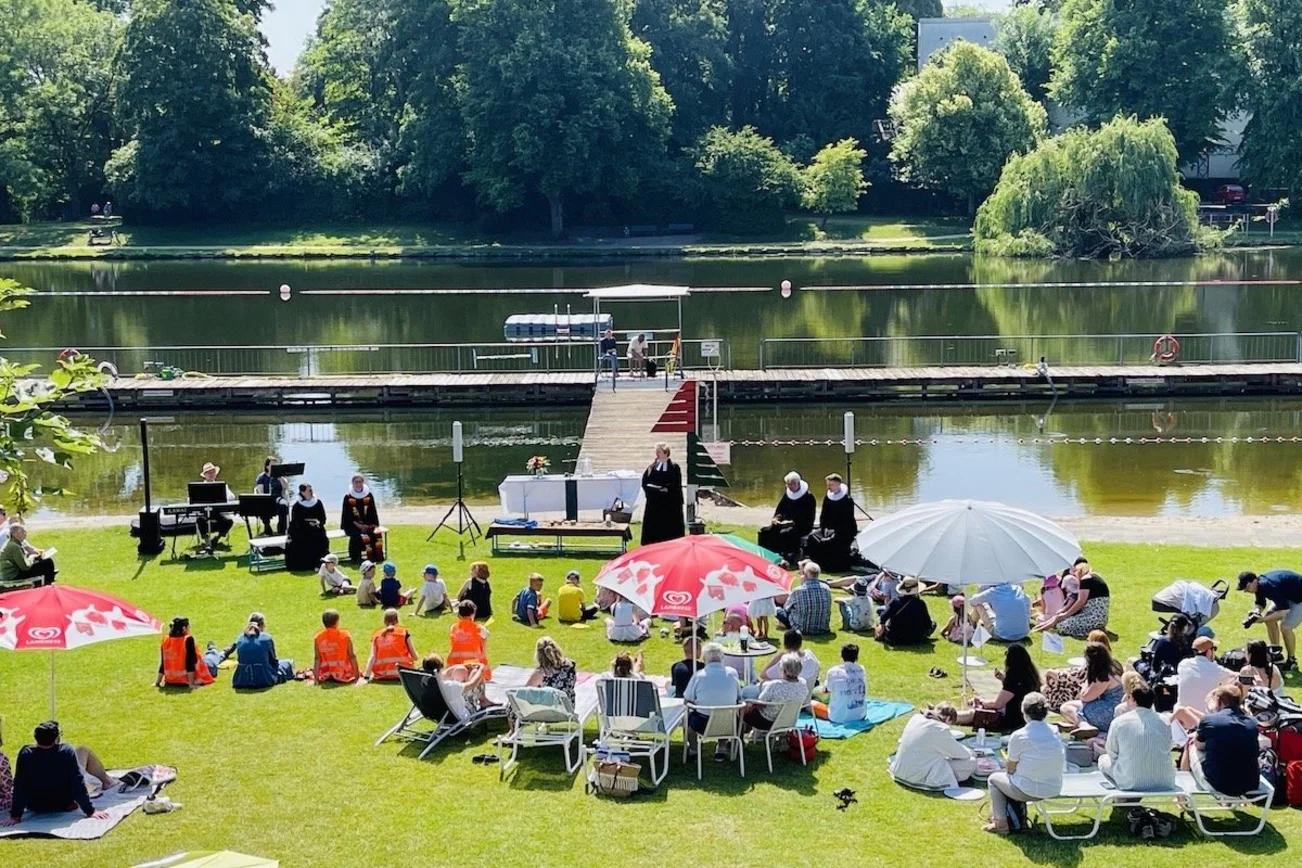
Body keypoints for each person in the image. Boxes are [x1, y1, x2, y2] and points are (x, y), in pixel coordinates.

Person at [2, 721, 112, 826]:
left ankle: (108, 781)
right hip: (64, 804)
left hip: (35, 805)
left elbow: (19, 786)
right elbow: (77, 783)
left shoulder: (26, 753)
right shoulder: (66, 751)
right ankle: (109, 782)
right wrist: (90, 811)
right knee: (83, 750)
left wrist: (15, 815)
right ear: (56, 738)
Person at [983, 693, 1064, 835]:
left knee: (994, 779)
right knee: (1017, 777)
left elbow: (1010, 769)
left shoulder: (1019, 735)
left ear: (1023, 711)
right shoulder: (1055, 731)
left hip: (1028, 790)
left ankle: (1000, 823)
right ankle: (1016, 818)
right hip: (1053, 787)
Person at [1183, 686, 1261, 797]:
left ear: (1220, 701)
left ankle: (1183, 795)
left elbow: (1198, 745)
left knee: (1190, 743)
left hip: (1219, 785)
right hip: (1250, 784)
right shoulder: (1252, 723)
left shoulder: (1209, 720)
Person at [1098, 684, 1176, 792]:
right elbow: (1169, 746)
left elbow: (1111, 752)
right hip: (1165, 780)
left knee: (1103, 759)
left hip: (1130, 780)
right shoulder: (1165, 721)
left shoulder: (1119, 722)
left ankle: (1121, 796)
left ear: (1133, 700)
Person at [889, 704, 976, 790]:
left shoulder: (915, 718)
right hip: (919, 777)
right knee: (971, 762)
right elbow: (962, 754)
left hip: (899, 772)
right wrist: (973, 752)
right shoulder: (940, 729)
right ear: (948, 718)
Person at [957, 644, 1041, 732]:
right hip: (1029, 718)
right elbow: (1016, 691)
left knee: (974, 713)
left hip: (1013, 720)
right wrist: (1004, 680)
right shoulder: (1031, 677)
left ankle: (950, 716)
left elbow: (997, 704)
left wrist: (982, 701)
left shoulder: (1013, 679)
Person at [684, 642, 743, 758]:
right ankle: (721, 746)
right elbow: (738, 697)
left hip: (702, 724)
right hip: (729, 723)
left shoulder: (699, 676)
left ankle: (694, 749)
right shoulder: (732, 673)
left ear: (704, 658)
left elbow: (687, 698)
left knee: (688, 718)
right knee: (725, 713)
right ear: (722, 658)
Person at [1238, 569, 1302, 670]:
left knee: (1285, 627)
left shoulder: (1268, 586)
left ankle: (1292, 660)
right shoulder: (1259, 585)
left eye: (1247, 587)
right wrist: (1256, 611)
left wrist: (1263, 619)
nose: (1246, 591)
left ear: (1254, 581)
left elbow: (1284, 611)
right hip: (1287, 596)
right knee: (1270, 621)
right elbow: (1260, 603)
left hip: (1299, 599)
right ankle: (1276, 654)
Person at [1171, 636, 1237, 730]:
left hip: (1181, 719)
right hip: (1203, 721)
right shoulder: (1217, 670)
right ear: (1209, 651)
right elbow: (1235, 676)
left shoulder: (1183, 664)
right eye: (1214, 649)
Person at [1035, 558, 1110, 638]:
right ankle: (1041, 628)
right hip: (1098, 617)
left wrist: (1066, 614)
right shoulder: (1093, 577)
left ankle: (1041, 628)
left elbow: (1080, 602)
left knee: (1062, 625)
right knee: (1059, 618)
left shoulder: (1085, 580)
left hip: (1093, 617)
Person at [1059, 642, 1124, 734]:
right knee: (1070, 707)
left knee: (1066, 708)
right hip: (1115, 709)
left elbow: (1085, 697)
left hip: (1108, 714)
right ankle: (1075, 725)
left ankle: (1084, 725)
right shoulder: (1114, 667)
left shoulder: (1104, 677)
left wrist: (1088, 680)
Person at [743, 654, 809, 733]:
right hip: (789, 721)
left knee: (741, 707)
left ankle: (740, 736)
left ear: (784, 670)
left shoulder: (775, 685)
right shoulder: (802, 683)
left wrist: (749, 704)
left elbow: (761, 704)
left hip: (767, 722)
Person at [759, 472, 817, 561]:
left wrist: (790, 523)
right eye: (788, 484)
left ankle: (789, 554)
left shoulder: (808, 497)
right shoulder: (788, 494)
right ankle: (766, 554)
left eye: (792, 484)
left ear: (797, 483)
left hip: (801, 525)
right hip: (785, 523)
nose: (790, 486)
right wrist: (776, 518)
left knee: (785, 533)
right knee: (765, 531)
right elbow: (780, 509)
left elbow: (808, 518)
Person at [808, 473, 858, 570]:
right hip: (828, 528)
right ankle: (816, 563)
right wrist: (825, 528)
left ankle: (831, 566)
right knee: (812, 537)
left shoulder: (847, 500)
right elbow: (823, 515)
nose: (828, 487)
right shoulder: (828, 497)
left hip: (844, 530)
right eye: (828, 485)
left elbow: (847, 520)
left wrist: (834, 530)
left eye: (831, 485)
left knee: (830, 541)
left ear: (838, 484)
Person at [640, 442, 684, 545]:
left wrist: (666, 489)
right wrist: (651, 489)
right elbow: (645, 481)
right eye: (656, 452)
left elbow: (675, 484)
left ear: (665, 452)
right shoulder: (652, 467)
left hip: (669, 504)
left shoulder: (674, 467)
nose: (657, 454)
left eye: (659, 452)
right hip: (655, 502)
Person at [421, 653, 495, 714]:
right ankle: (484, 700)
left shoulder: (425, 684)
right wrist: (481, 669)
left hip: (441, 714)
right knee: (475, 672)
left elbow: (444, 673)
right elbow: (472, 684)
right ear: (440, 667)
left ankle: (484, 700)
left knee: (460, 670)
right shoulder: (449, 686)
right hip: (464, 713)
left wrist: (462, 666)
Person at [154, 616, 215, 689]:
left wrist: (157, 682)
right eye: (188, 626)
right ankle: (214, 649)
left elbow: (163, 663)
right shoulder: (188, 639)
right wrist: (191, 684)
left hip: (171, 680)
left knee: (210, 657)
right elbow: (190, 663)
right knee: (212, 658)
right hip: (192, 677)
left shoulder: (166, 640)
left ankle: (214, 649)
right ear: (184, 628)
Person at [359, 608, 417, 683]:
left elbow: (372, 657)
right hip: (402, 673)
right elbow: (415, 657)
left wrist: (366, 677)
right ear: (397, 620)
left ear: (384, 621)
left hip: (382, 674)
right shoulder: (403, 632)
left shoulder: (376, 635)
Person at [814, 644, 868, 724]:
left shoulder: (833, 671)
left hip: (838, 717)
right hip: (860, 715)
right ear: (856, 657)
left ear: (842, 655)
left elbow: (826, 691)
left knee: (811, 703)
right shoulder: (861, 669)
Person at [777, 560, 832, 635]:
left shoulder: (797, 591)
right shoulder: (826, 589)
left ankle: (783, 624)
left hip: (801, 629)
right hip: (823, 628)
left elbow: (786, 607)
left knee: (778, 610)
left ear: (805, 575)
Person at [875, 578, 936, 645]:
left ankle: (880, 636)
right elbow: (928, 623)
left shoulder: (895, 602)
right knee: (934, 623)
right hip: (917, 638)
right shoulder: (921, 603)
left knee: (879, 621)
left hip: (895, 638)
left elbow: (883, 617)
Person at [285, 482, 329, 571]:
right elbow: (295, 522)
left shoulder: (318, 502)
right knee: (300, 541)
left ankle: (319, 563)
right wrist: (307, 525)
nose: (311, 492)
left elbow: (323, 518)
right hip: (301, 531)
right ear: (302, 492)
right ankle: (304, 565)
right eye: (309, 490)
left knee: (321, 540)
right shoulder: (297, 506)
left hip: (316, 529)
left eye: (311, 490)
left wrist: (318, 523)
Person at [340, 473, 383, 564]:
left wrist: (366, 525)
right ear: (352, 483)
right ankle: (356, 558)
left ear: (363, 482)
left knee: (375, 533)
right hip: (353, 524)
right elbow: (347, 515)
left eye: (360, 482)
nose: (358, 484)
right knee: (356, 536)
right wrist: (359, 525)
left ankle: (375, 556)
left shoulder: (368, 495)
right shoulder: (348, 497)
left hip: (367, 523)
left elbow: (372, 511)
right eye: (356, 482)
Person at [968, 583, 1032, 642]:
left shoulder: (993, 591)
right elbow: (1028, 600)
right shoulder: (1018, 589)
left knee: (979, 603)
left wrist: (977, 595)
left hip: (1001, 635)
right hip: (1023, 634)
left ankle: (972, 625)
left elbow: (972, 601)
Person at [523, 636, 577, 702]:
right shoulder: (570, 665)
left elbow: (524, 694)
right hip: (567, 706)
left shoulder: (541, 673)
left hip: (549, 707)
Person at [447, 600, 492, 677]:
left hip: (455, 666)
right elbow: (483, 649)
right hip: (474, 666)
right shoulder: (479, 629)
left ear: (459, 614)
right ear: (473, 614)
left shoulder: (453, 627)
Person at [313, 609, 359, 684]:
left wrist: (316, 679)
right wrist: (357, 677)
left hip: (326, 673)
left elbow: (317, 658)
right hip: (343, 672)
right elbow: (352, 656)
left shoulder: (318, 637)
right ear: (337, 622)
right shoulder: (345, 635)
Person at [195, 462, 235, 546]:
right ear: (205, 475)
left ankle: (217, 538)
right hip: (204, 511)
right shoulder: (199, 487)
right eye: (209, 472)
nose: (211, 474)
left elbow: (232, 496)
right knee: (200, 520)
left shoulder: (222, 486)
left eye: (213, 472)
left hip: (218, 512)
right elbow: (191, 499)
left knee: (229, 521)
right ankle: (206, 539)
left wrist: (223, 498)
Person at [252, 456, 288, 536]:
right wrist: (266, 498)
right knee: (263, 506)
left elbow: (285, 487)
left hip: (278, 498)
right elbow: (260, 492)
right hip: (266, 499)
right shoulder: (262, 477)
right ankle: (267, 526)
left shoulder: (280, 476)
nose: (274, 467)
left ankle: (281, 528)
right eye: (272, 465)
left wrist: (281, 478)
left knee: (283, 505)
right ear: (267, 466)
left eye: (276, 465)